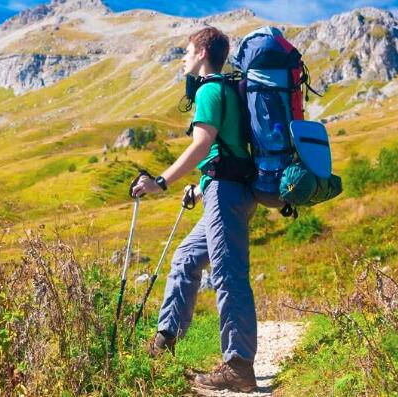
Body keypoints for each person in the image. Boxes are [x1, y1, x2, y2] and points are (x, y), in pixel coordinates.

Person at [130, 26, 258, 393]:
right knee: (186, 257)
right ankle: (164, 343)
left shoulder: (210, 90)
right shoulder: (224, 91)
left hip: (227, 194)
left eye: (187, 52)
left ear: (202, 52)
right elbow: (226, 150)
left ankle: (238, 367)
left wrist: (162, 182)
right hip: (224, 190)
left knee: (229, 274)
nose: (183, 58)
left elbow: (202, 145)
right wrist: (200, 187)